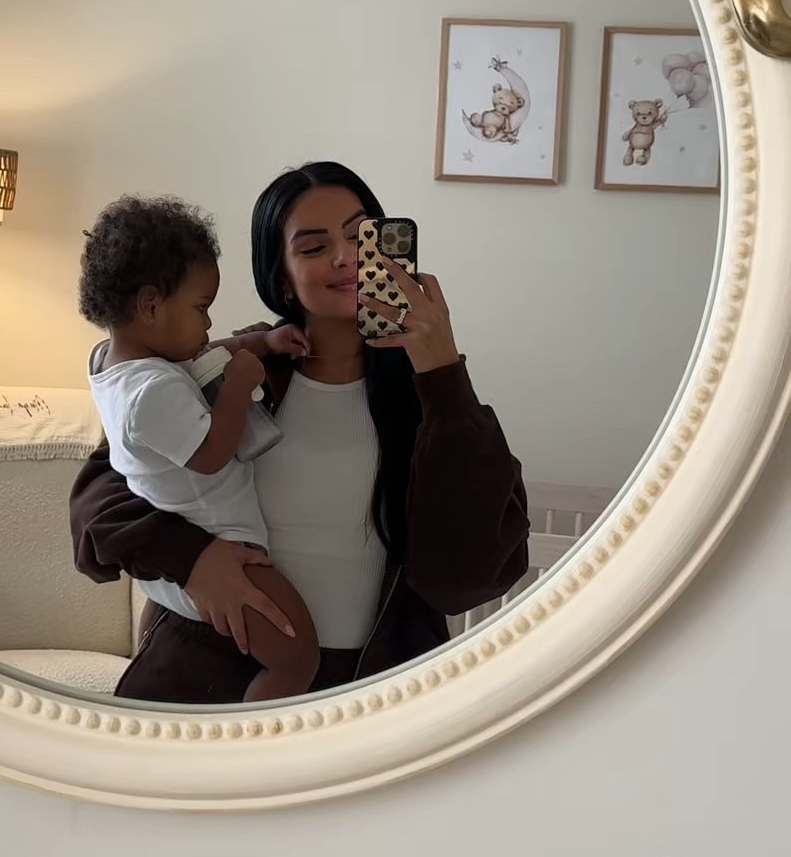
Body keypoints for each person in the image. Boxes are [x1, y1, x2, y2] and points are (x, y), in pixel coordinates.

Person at [70, 161, 530, 703]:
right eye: (314, 247)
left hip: (372, 693)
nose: (345, 257)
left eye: (361, 236)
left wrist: (442, 370)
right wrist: (189, 558)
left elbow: (474, 572)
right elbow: (98, 499)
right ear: (281, 277)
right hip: (204, 671)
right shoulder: (228, 368)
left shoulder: (430, 393)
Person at [79, 193, 321, 701]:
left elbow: (204, 356)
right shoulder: (151, 393)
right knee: (298, 656)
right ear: (150, 306)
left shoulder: (116, 363)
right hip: (220, 545)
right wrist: (239, 387)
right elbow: (211, 455)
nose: (209, 325)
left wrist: (262, 344)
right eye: (201, 308)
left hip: (180, 559)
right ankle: (256, 734)